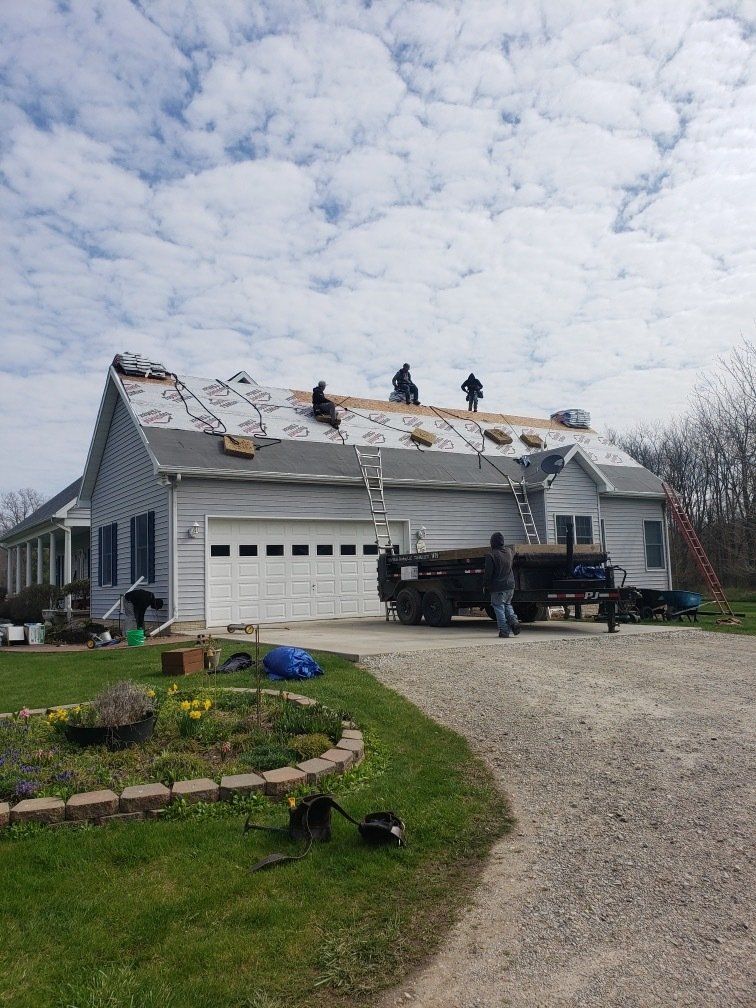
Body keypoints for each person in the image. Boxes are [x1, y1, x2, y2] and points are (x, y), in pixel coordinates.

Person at [483, 532, 520, 638]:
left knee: (499, 608)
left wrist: (485, 585)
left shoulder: (491, 555)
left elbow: (488, 573)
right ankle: (514, 622)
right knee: (507, 605)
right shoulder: (509, 551)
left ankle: (504, 631)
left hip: (498, 586)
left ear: (492, 543)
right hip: (510, 585)